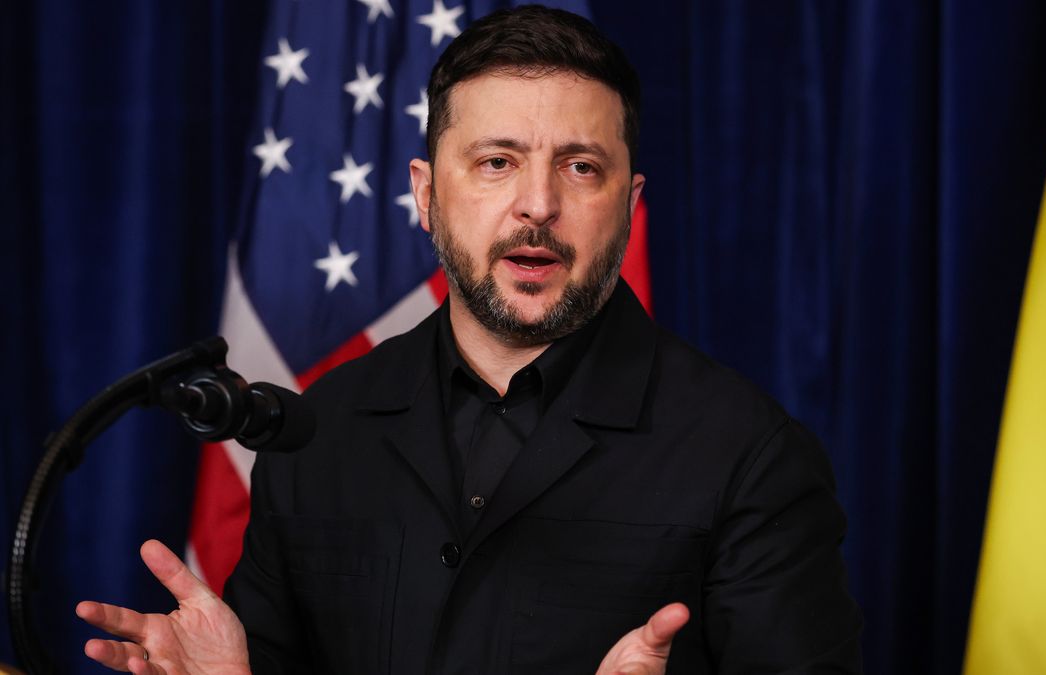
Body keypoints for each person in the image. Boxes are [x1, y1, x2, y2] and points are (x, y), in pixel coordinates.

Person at [77, 5, 862, 673]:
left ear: (630, 203)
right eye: (496, 162)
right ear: (426, 194)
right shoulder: (322, 425)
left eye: (582, 168)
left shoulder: (751, 454)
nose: (537, 204)